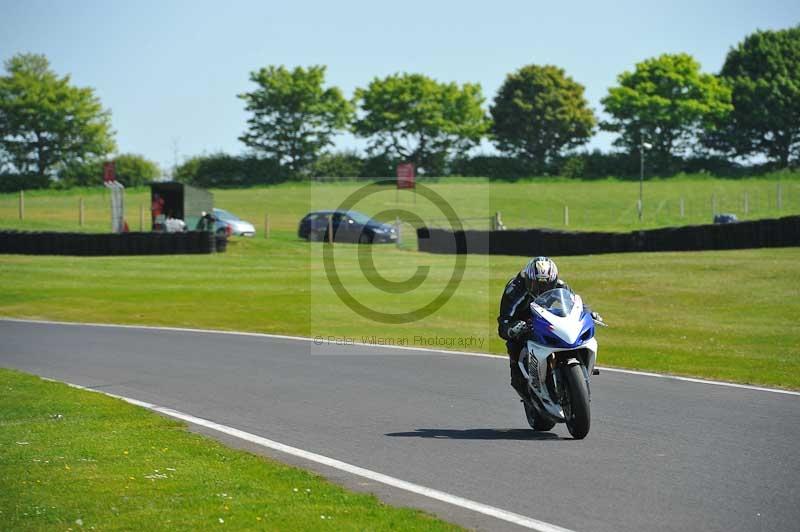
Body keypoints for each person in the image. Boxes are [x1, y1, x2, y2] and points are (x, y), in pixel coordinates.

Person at [496, 256, 601, 402]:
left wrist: (590, 313)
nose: (541, 289)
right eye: (537, 285)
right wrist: (511, 328)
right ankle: (527, 388)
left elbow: (577, 303)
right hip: (522, 322)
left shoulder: (559, 284)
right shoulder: (514, 290)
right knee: (515, 349)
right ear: (529, 280)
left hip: (545, 318)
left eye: (546, 285)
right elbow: (504, 321)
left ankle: (577, 372)